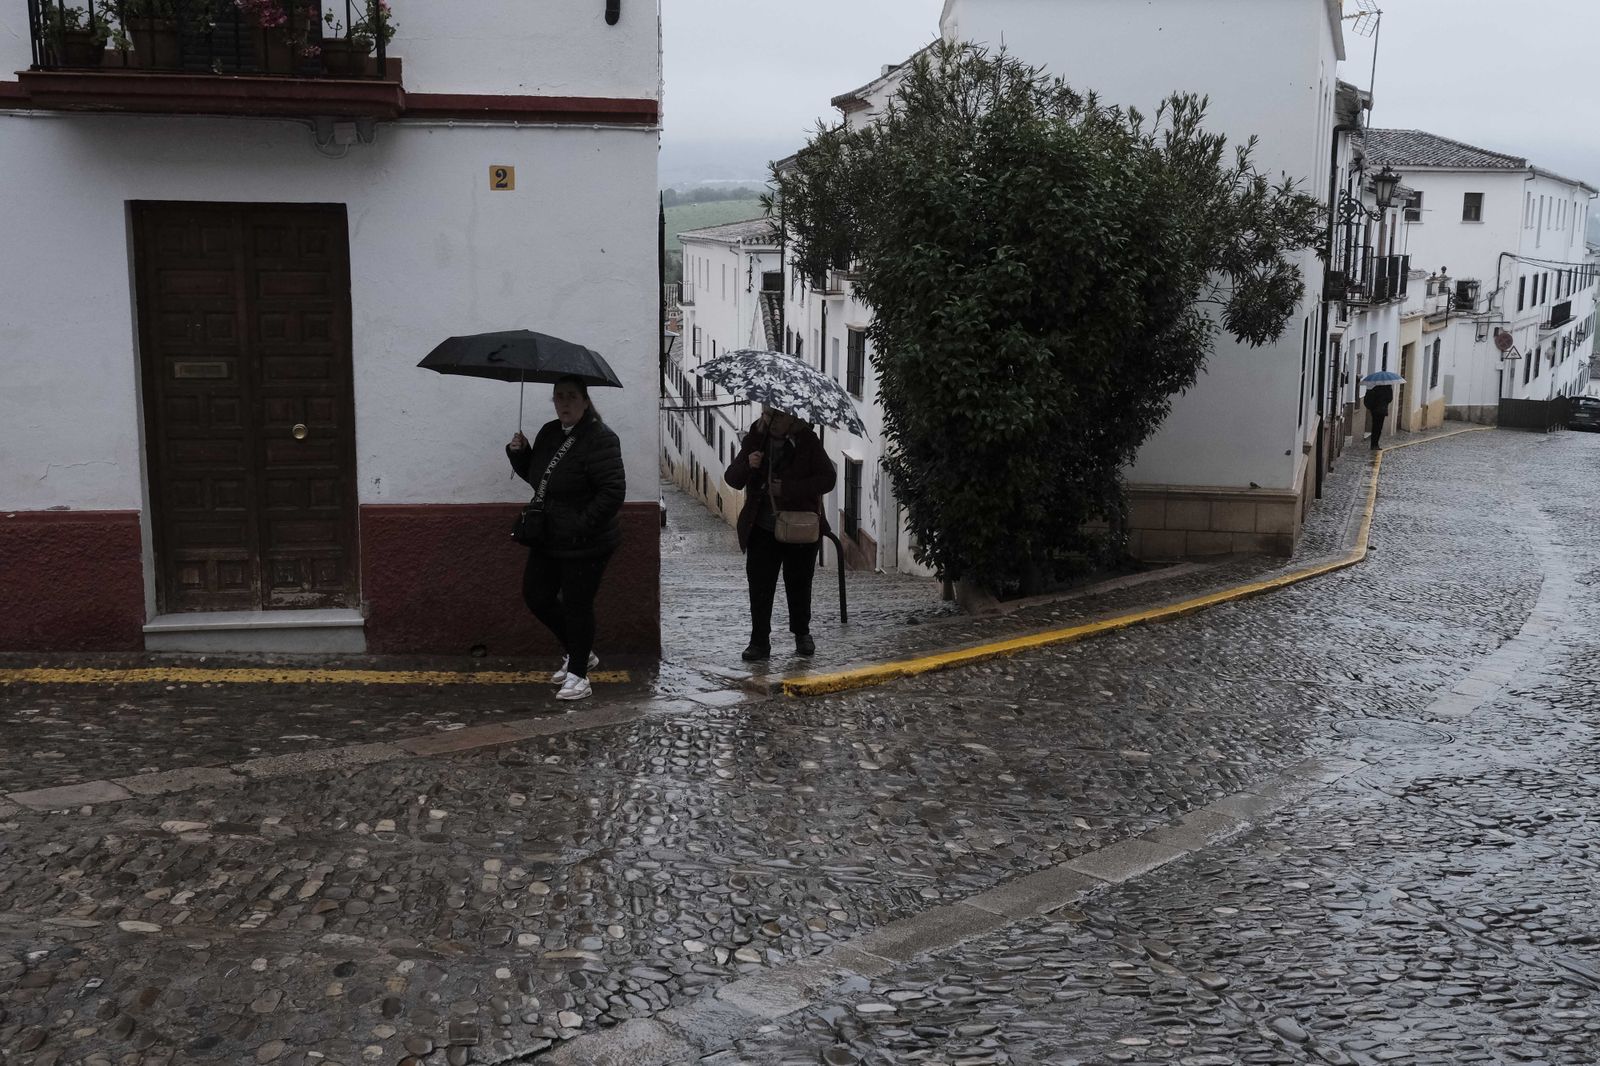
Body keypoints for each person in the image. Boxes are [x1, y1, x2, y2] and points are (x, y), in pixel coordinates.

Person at [507, 376, 625, 701]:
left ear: (585, 401)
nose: (565, 403)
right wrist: (520, 454)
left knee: (577, 605)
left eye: (572, 396)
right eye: (559, 397)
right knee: (536, 595)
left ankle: (579, 675)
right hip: (549, 535)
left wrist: (580, 526)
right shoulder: (549, 432)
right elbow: (539, 479)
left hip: (587, 541)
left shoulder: (601, 438)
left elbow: (613, 491)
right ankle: (579, 652)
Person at [724, 406, 836, 661]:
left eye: (779, 416)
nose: (772, 420)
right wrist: (748, 465)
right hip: (762, 528)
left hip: (799, 528)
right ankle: (759, 641)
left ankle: (802, 634)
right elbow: (732, 478)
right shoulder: (755, 439)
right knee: (760, 587)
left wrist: (788, 488)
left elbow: (827, 479)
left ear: (792, 418)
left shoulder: (807, 440)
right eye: (767, 414)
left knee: (799, 584)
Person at [1363, 384, 1394, 451]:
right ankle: (1375, 444)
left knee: (1375, 426)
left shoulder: (1374, 387)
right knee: (1378, 428)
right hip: (1381, 410)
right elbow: (1389, 399)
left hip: (1374, 410)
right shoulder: (1388, 388)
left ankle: (1373, 444)